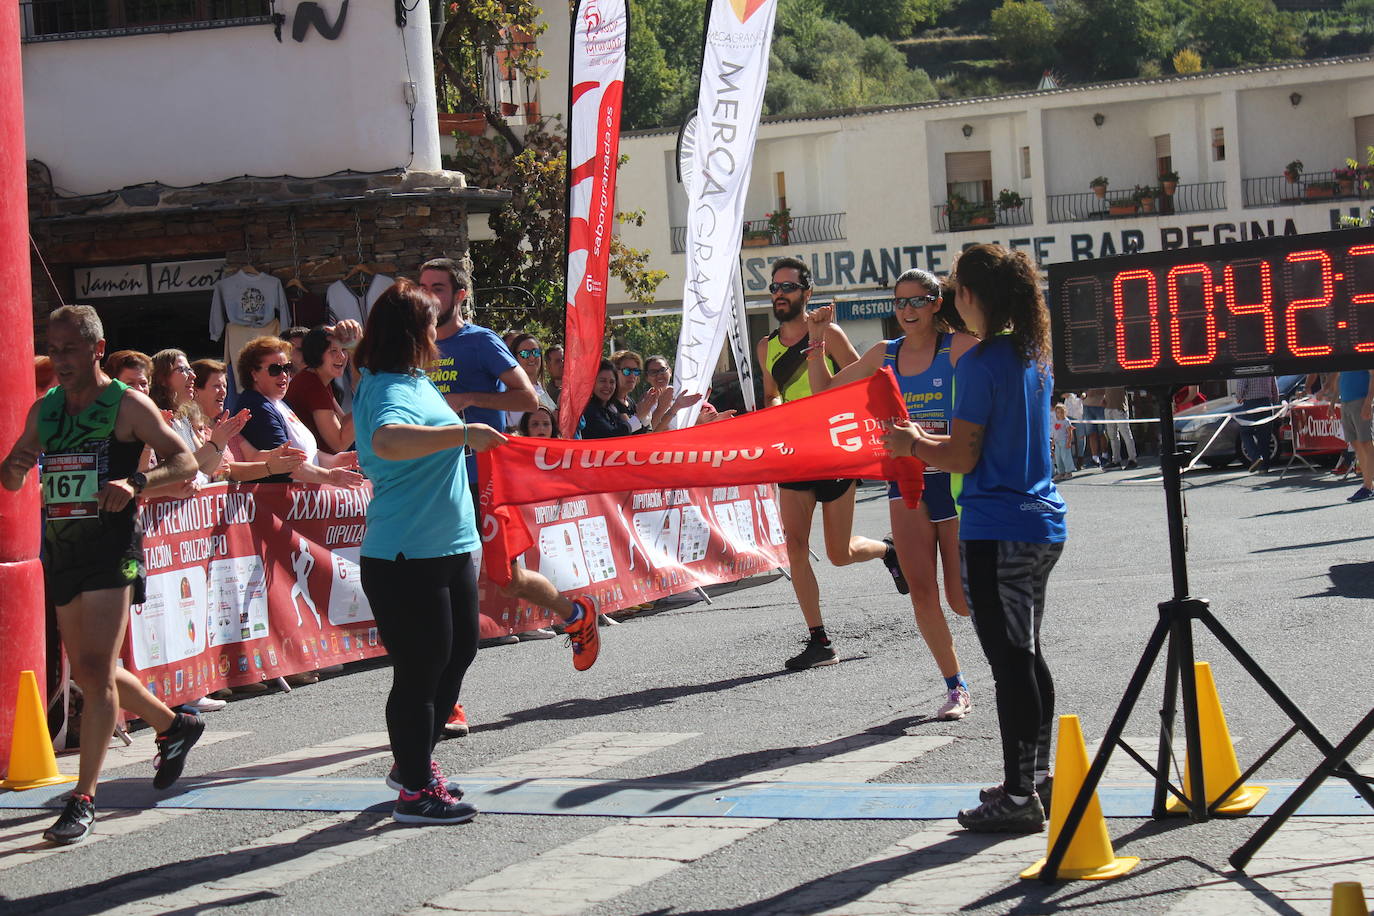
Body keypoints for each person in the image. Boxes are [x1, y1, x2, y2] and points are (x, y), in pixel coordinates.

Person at [353, 280, 600, 823]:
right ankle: (415, 789)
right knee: (420, 670)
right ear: (411, 331)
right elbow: (388, 441)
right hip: (404, 553)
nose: (439, 328)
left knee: (459, 651)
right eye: (430, 319)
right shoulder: (389, 383)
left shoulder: (413, 379)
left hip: (448, 544)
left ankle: (411, 763)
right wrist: (464, 433)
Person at [2, 305, 205, 845]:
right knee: (93, 672)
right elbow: (16, 469)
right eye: (53, 348)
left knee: (94, 671)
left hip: (114, 547)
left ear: (96, 348)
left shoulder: (127, 404)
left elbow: (185, 461)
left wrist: (136, 483)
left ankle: (83, 797)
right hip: (64, 548)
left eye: (69, 349)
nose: (59, 359)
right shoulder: (46, 409)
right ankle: (173, 724)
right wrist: (16, 465)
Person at [882, 243, 1066, 833]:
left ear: (968, 296)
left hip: (997, 526)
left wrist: (911, 443)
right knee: (1026, 655)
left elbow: (963, 451)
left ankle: (1019, 795)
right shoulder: (1033, 355)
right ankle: (1033, 779)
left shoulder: (980, 363)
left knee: (1011, 663)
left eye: (956, 287)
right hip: (1039, 521)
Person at [418, 259, 606, 736]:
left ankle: (574, 613)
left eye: (437, 287)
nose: (428, 295)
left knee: (507, 577)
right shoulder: (413, 344)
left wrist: (468, 400)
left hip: (482, 473)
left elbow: (527, 400)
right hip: (434, 476)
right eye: (422, 287)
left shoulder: (478, 341)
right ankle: (448, 704)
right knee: (439, 590)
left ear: (459, 295)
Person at [804, 268, 976, 720]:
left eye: (917, 301)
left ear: (938, 302)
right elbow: (822, 390)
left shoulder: (957, 347)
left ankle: (1008, 657)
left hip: (955, 480)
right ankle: (956, 686)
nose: (907, 311)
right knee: (922, 592)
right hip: (907, 484)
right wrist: (817, 339)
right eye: (900, 302)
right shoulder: (885, 353)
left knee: (960, 600)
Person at [756, 256, 905, 671]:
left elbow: (861, 382)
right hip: (794, 455)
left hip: (835, 450)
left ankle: (887, 551)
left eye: (787, 287)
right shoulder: (766, 346)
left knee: (839, 553)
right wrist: (779, 410)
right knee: (795, 546)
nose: (779, 294)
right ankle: (819, 640)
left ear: (806, 292)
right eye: (774, 288)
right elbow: (770, 393)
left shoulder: (831, 334)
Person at [234, 336, 366, 487]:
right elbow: (287, 464)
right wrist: (330, 477)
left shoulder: (280, 403)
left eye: (287, 368)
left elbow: (305, 453)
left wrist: (333, 461)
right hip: (278, 503)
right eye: (275, 369)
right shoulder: (256, 406)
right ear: (254, 374)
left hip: (300, 503)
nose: (284, 375)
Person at [286, 325, 355, 456]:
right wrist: (369, 400)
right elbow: (339, 443)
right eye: (333, 351)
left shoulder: (317, 379)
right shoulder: (312, 386)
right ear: (317, 354)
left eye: (344, 349)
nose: (341, 356)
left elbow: (344, 421)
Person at [504, 333, 558, 432]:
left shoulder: (539, 387)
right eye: (525, 354)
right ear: (514, 358)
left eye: (535, 352)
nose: (532, 358)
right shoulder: (516, 393)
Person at [1335, 370, 1374, 501]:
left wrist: (1368, 402)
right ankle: (1368, 485)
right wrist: (1332, 402)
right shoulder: (1344, 354)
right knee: (1356, 444)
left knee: (1366, 442)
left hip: (1361, 400)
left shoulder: (1362, 353)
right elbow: (1339, 377)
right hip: (1345, 401)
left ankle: (1368, 487)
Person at [1235, 374, 1280, 474]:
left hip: (1250, 403)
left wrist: (1239, 397)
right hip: (1266, 403)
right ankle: (1264, 467)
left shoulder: (1245, 367)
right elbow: (1274, 387)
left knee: (1245, 432)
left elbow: (1241, 385)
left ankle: (1256, 457)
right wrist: (1274, 401)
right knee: (1264, 436)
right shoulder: (1267, 367)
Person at [1102, 387, 1138, 470]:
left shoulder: (1121, 374)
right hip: (1108, 408)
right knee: (1112, 436)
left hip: (1119, 408)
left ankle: (1133, 459)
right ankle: (1116, 460)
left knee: (1126, 434)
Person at [1081, 388, 1109, 468]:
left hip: (1100, 406)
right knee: (1091, 433)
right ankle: (1095, 458)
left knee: (1102, 432)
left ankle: (1105, 456)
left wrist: (1095, 392)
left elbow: (1107, 390)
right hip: (1087, 406)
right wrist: (1084, 393)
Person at [1051, 403, 1075, 481]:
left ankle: (1069, 472)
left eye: (1061, 412)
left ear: (1065, 412)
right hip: (1057, 442)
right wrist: (1052, 443)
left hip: (1064, 441)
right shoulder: (1056, 422)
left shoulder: (1066, 421)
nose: (1060, 414)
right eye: (1058, 412)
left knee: (1066, 457)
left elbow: (1069, 432)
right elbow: (1055, 434)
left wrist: (1069, 442)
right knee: (1058, 457)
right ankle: (1061, 472)